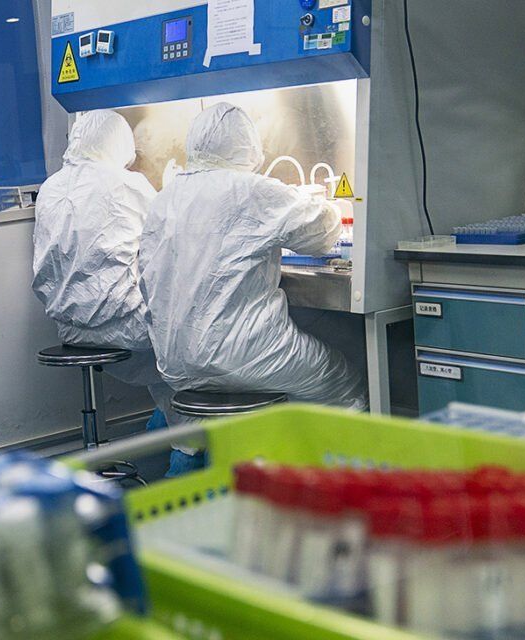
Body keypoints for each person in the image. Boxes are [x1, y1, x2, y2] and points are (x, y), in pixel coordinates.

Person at [139, 102, 367, 409]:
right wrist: (331, 207)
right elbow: (322, 234)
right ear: (247, 143)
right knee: (345, 382)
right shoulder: (250, 189)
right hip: (245, 356)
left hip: (176, 364)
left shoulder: (163, 199)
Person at [32, 110, 198, 474]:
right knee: (191, 354)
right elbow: (169, 232)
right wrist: (173, 192)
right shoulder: (127, 184)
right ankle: (185, 465)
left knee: (167, 373)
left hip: (70, 330)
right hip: (124, 329)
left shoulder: (51, 187)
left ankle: (159, 438)